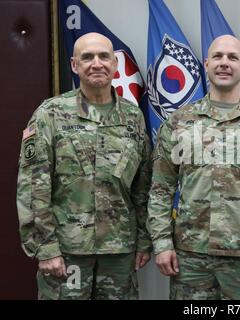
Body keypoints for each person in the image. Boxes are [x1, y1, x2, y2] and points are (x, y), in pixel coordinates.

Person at [147, 35, 240, 300]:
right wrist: (161, 244)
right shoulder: (180, 122)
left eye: (232, 57)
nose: (224, 63)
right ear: (206, 64)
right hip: (192, 257)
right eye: (217, 57)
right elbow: (161, 188)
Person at [16, 32, 152, 300]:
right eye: (87, 57)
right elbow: (33, 187)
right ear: (74, 65)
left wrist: (144, 240)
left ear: (114, 64)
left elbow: (143, 184)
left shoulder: (133, 116)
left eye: (104, 56)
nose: (97, 63)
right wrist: (46, 249)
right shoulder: (50, 114)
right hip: (67, 251)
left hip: (119, 252)